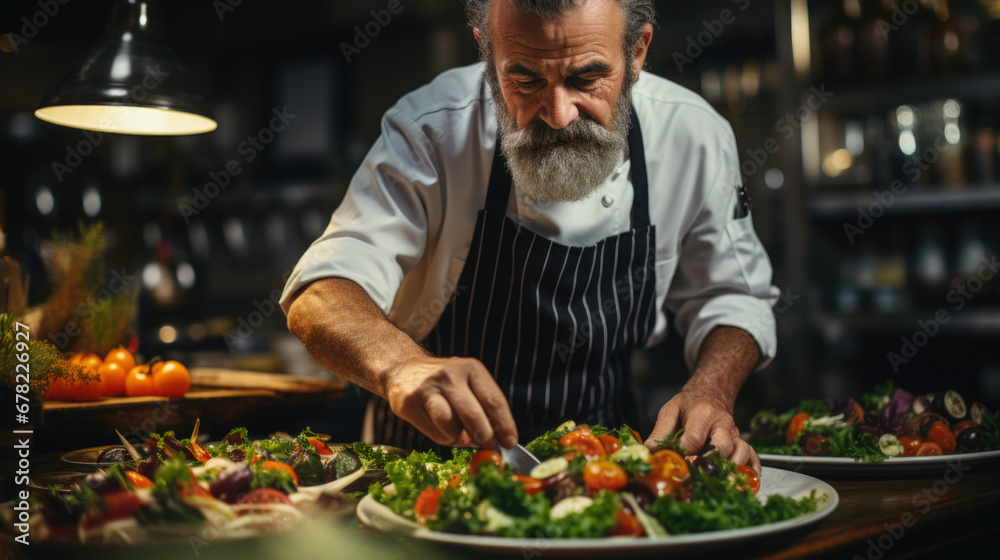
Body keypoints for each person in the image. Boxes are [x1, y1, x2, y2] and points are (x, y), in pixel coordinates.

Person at [281, 0, 778, 471]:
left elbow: (732, 295)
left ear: (638, 50)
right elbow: (321, 289)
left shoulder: (692, 135)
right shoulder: (431, 131)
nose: (558, 114)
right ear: (486, 49)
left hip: (603, 475)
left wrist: (712, 389)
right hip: (428, 473)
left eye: (587, 78)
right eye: (525, 79)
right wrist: (400, 367)